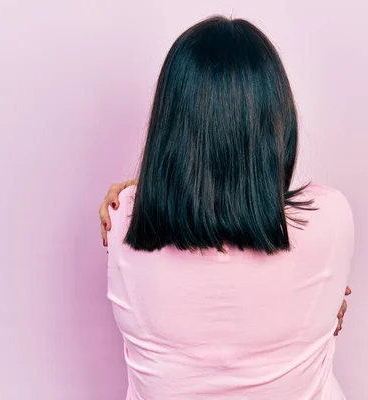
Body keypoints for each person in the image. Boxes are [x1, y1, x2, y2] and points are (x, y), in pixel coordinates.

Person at [97, 16, 354, 399]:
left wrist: (143, 191)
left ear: (171, 123)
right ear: (275, 122)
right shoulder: (329, 218)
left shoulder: (120, 219)